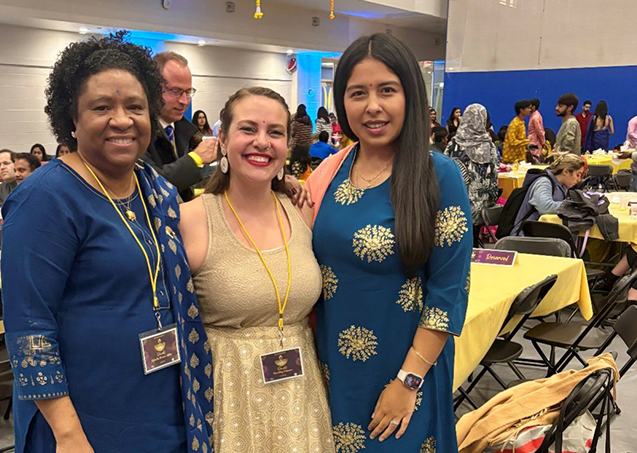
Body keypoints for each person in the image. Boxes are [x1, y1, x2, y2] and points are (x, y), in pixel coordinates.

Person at [2, 32, 213, 453]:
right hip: (83, 417)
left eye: (135, 107)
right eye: (102, 107)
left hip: (161, 405)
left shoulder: (155, 189)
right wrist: (67, 434)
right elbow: (29, 326)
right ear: (72, 119)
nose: (122, 119)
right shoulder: (47, 198)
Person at [305, 33, 472, 453]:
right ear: (342, 102)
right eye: (358, 93)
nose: (372, 106)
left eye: (387, 90)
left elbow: (448, 292)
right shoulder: (330, 172)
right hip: (332, 370)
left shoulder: (439, 176)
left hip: (404, 373)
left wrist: (408, 381)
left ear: (410, 96)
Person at [179, 86, 333, 452]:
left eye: (274, 132)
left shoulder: (302, 211)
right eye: (248, 129)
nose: (261, 142)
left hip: (301, 396)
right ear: (223, 140)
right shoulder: (191, 220)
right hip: (227, 399)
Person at [142, 51, 217, 201]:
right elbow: (151, 184)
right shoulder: (138, 131)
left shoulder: (185, 131)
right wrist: (196, 158)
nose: (184, 101)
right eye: (175, 92)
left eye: (188, 92)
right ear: (153, 88)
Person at [444, 104, 499, 247]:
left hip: (454, 197)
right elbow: (492, 176)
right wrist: (492, 198)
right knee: (473, 240)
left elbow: (444, 167)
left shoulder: (454, 142)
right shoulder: (488, 145)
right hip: (478, 202)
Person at [510, 153, 585, 235]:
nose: (579, 180)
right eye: (578, 175)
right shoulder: (544, 182)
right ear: (566, 171)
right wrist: (572, 206)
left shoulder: (562, 186)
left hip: (541, 231)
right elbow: (545, 207)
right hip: (524, 234)